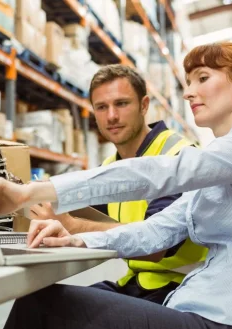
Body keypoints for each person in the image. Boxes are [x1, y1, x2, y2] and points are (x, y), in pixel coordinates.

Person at [0, 42, 232, 329]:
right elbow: (155, 232)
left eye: (203, 79)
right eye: (188, 82)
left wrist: (28, 192)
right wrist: (76, 239)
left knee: (41, 305)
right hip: (198, 309)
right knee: (42, 304)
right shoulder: (222, 166)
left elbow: (152, 173)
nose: (188, 92)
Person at [29, 64, 207, 304]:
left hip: (180, 289)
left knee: (45, 309)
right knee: (39, 301)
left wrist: (72, 225)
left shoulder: (177, 156)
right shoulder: (111, 165)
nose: (111, 116)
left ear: (144, 106)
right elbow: (86, 213)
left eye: (121, 104)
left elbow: (155, 247)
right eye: (102, 107)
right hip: (137, 283)